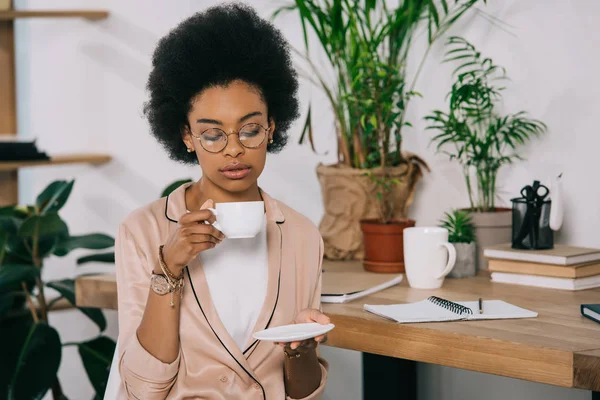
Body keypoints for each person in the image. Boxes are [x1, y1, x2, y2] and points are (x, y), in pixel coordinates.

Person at [114, 3, 329, 399]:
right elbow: (142, 390)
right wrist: (169, 267)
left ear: (272, 127)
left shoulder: (301, 236)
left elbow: (303, 392)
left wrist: (302, 351)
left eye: (249, 129)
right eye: (212, 134)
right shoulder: (142, 232)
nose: (234, 150)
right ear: (187, 137)